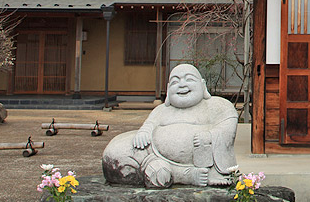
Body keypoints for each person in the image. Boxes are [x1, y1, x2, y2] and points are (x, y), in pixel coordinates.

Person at [102, 64, 239, 188]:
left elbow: (228, 127)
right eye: (175, 82)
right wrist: (144, 132)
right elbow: (149, 124)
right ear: (168, 90)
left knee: (154, 169)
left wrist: (209, 136)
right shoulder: (162, 110)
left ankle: (165, 172)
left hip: (202, 155)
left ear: (203, 85)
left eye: (189, 79)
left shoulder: (217, 106)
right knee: (116, 155)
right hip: (152, 153)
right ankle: (183, 175)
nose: (181, 85)